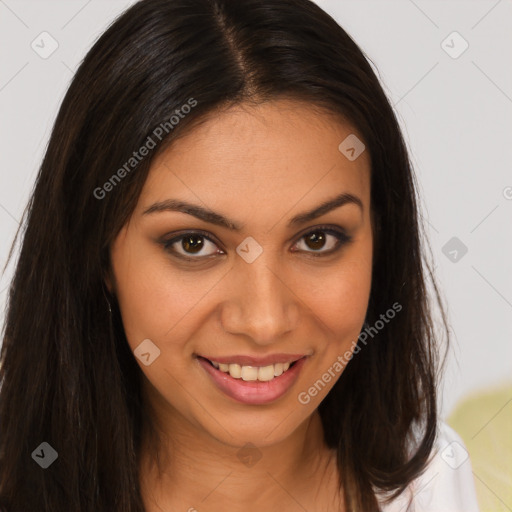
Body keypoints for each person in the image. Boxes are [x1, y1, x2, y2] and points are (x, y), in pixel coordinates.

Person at [0, 0, 480, 510]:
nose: (264, 321)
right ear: (97, 254)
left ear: (381, 239)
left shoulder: (429, 482)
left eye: (317, 239)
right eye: (193, 244)